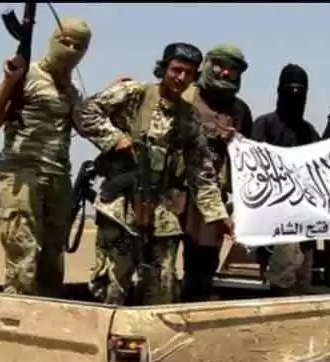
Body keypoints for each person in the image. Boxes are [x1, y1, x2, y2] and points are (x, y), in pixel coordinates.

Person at [74, 42, 234, 306]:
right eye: (176, 70)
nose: (181, 78)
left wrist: (218, 216)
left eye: (189, 73)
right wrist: (113, 138)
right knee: (113, 285)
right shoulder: (135, 93)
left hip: (161, 208)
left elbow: (201, 173)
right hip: (121, 206)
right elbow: (84, 112)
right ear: (164, 68)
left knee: (162, 286)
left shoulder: (189, 118)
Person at [0, 18, 92, 297]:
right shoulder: (26, 75)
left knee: (52, 258)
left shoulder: (72, 89)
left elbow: (87, 125)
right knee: (23, 254)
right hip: (21, 174)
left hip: (58, 177)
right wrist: (9, 82)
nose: (70, 50)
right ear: (53, 40)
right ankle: (17, 314)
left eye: (78, 46)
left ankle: (47, 313)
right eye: (65, 42)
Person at [179, 44, 253, 302]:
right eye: (220, 65)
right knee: (158, 265)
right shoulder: (184, 96)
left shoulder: (240, 110)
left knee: (202, 267)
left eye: (233, 69)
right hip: (173, 195)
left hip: (212, 202)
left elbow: (249, 158)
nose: (225, 72)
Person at [250, 63, 324, 296]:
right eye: (289, 90)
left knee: (301, 288)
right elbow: (253, 170)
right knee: (279, 289)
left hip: (304, 226)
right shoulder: (264, 125)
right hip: (272, 223)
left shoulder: (309, 131)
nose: (294, 96)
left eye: (299, 91)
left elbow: (321, 170)